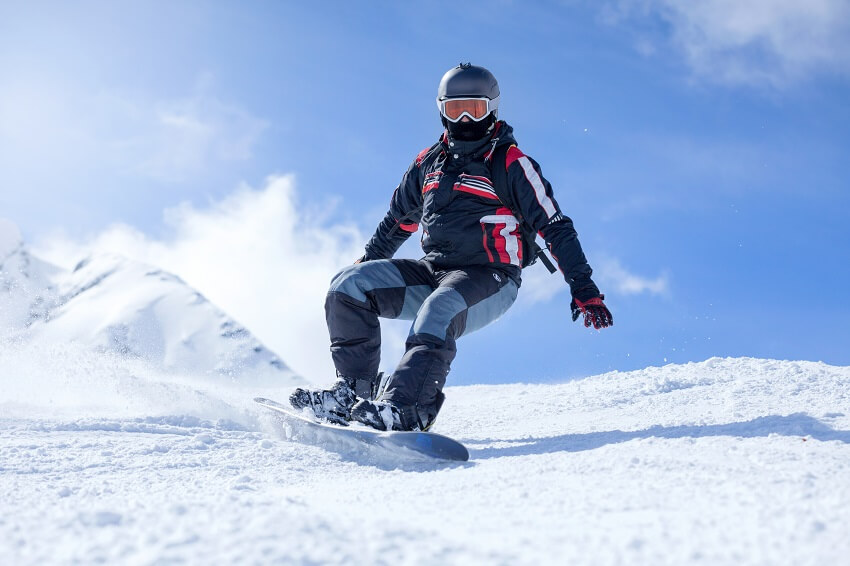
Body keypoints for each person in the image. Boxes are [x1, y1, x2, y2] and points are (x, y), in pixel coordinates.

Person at [290, 63, 612, 432]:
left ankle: (407, 409)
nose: (463, 119)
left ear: (492, 109)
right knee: (347, 286)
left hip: (490, 276)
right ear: (441, 109)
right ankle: (353, 392)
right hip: (434, 271)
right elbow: (398, 221)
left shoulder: (510, 163)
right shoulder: (429, 163)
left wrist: (583, 288)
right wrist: (369, 262)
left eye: (473, 109)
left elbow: (555, 227)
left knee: (438, 310)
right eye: (454, 109)